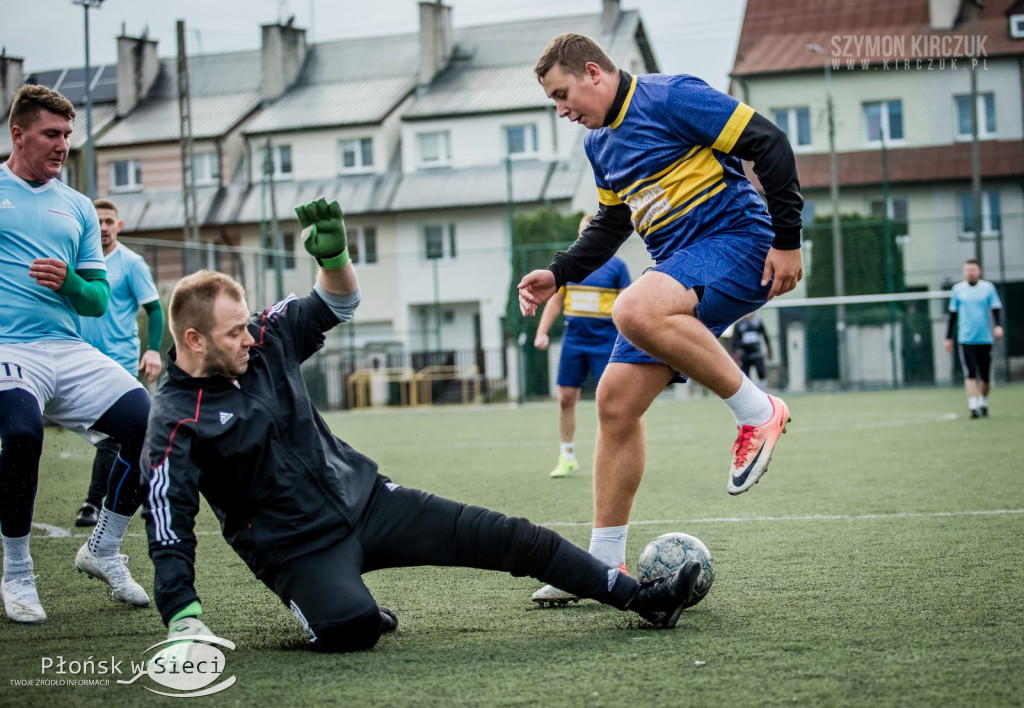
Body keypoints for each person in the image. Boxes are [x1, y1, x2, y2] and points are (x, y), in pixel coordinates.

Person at [140, 198, 705, 654]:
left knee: (510, 535)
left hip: (368, 502)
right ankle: (338, 606)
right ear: (194, 340)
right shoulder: (173, 421)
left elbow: (337, 303)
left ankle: (642, 599)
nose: (249, 336)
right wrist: (183, 616)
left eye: (246, 325)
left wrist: (334, 260)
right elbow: (169, 525)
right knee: (353, 629)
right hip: (296, 550)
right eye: (234, 331)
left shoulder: (264, 337)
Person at [519, 34, 801, 603]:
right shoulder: (600, 146)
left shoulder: (671, 98)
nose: (562, 110)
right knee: (616, 400)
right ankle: (602, 567)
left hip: (741, 242)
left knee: (632, 308)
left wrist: (788, 241)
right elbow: (610, 223)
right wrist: (561, 272)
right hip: (682, 264)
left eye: (562, 94)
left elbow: (769, 142)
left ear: (593, 72)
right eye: (554, 102)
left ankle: (758, 411)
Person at [0, 85, 151, 625]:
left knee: (151, 426)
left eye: (68, 135)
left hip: (67, 347)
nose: (63, 144)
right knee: (21, 434)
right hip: (8, 348)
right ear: (19, 134)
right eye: (51, 134)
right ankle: (16, 573)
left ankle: (103, 549)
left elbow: (97, 299)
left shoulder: (78, 207)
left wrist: (67, 283)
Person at [75, 197, 164, 527]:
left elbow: (155, 309)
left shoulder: (132, 263)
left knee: (117, 436)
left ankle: (92, 503)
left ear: (119, 226)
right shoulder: (78, 260)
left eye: (109, 221)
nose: (103, 227)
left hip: (120, 363)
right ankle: (149, 492)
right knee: (133, 435)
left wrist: (153, 349)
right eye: (97, 221)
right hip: (81, 362)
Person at [533, 214, 631, 479]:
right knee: (565, 399)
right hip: (574, 341)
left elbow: (627, 307)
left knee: (612, 403)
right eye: (583, 232)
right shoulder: (570, 267)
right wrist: (541, 332)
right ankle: (567, 456)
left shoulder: (617, 268)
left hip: (606, 342)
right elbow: (554, 302)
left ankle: (616, 457)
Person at [945, 259, 1003, 418]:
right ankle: (973, 407)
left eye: (973, 269)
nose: (971, 272)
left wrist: (998, 325)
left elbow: (996, 309)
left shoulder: (988, 288)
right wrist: (948, 338)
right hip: (965, 338)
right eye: (968, 270)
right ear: (964, 272)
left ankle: (983, 401)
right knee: (970, 371)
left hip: (985, 338)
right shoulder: (957, 290)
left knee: (985, 375)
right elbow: (952, 315)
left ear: (979, 271)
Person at [732, 313, 773, 389]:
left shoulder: (757, 322)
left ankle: (762, 389)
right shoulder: (739, 325)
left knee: (761, 372)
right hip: (744, 354)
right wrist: (735, 354)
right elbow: (734, 341)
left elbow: (765, 336)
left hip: (756, 353)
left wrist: (769, 351)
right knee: (745, 375)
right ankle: (748, 391)